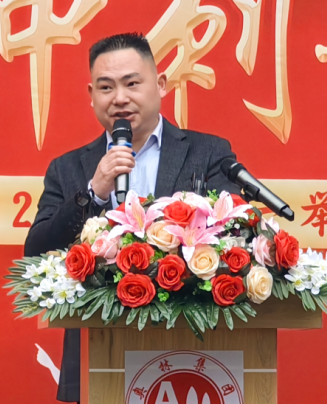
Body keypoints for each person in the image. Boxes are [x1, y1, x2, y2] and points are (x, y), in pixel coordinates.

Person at [23, 32, 239, 403]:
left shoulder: (208, 153)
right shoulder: (68, 168)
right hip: (98, 352)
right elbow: (37, 251)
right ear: (91, 95)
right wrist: (94, 191)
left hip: (191, 351)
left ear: (161, 85)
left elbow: (234, 236)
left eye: (132, 84)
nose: (119, 98)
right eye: (106, 87)